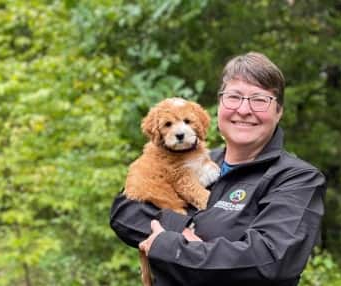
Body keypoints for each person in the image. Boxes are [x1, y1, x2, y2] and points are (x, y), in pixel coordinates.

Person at [109, 52, 326, 286]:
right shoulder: (194, 160)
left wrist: (167, 246)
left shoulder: (296, 178)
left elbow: (270, 260)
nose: (244, 110)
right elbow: (125, 210)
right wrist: (182, 231)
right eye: (234, 97)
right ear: (220, 104)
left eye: (260, 99)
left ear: (279, 111)